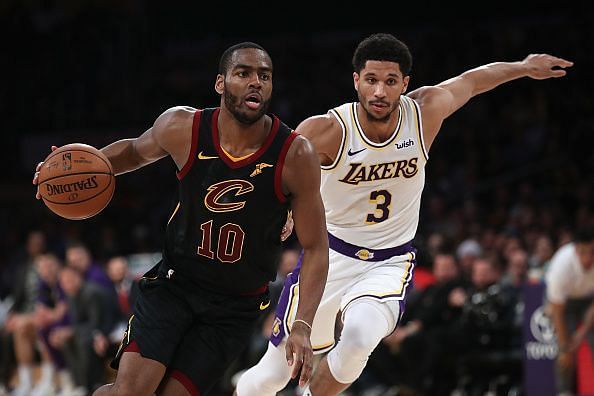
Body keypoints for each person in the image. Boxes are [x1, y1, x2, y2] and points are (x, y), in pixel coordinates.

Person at [236, 33, 573, 396]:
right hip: (329, 260)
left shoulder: (424, 112)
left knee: (361, 334)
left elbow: (474, 80)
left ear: (404, 84)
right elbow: (278, 173)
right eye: (371, 80)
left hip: (388, 262)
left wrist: (523, 67)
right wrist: (284, 207)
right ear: (356, 81)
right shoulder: (326, 130)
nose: (380, 91)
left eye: (390, 81)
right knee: (272, 374)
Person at [33, 42, 329, 396]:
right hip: (175, 285)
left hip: (234, 306)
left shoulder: (295, 154)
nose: (256, 83)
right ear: (220, 83)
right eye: (243, 73)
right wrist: (69, 168)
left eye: (264, 76)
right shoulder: (182, 127)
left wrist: (302, 326)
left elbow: (316, 247)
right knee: (129, 392)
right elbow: (131, 152)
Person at [544, 226, 594, 395]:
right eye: (583, 252)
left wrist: (583, 332)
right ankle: (564, 391)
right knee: (564, 351)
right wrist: (565, 347)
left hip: (589, 299)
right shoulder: (561, 264)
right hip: (563, 302)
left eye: (592, 252)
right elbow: (557, 310)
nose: (588, 258)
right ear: (576, 249)